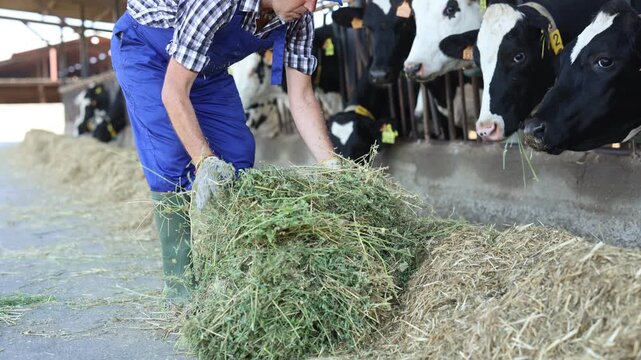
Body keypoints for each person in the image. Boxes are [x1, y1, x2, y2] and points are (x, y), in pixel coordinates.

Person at [110, 0, 342, 299]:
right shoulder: (216, 3)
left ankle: (229, 275)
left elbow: (303, 97)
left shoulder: (298, 19)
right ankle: (181, 290)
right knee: (171, 158)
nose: (310, 7)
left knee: (237, 153)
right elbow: (173, 92)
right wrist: (204, 161)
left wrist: (330, 164)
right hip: (147, 53)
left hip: (205, 66)